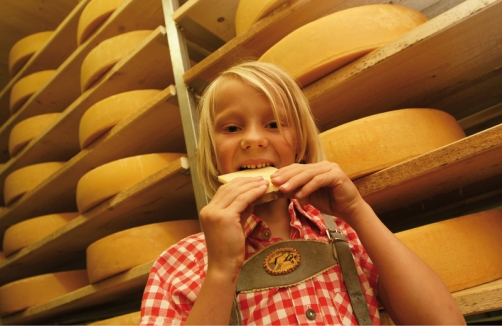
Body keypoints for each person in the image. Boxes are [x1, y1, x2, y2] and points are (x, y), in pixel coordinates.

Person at [140, 61, 465, 325]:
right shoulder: (177, 264)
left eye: (274, 124)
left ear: (300, 144)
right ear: (212, 152)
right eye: (232, 128)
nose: (253, 140)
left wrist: (358, 211)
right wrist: (222, 270)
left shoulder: (346, 232)